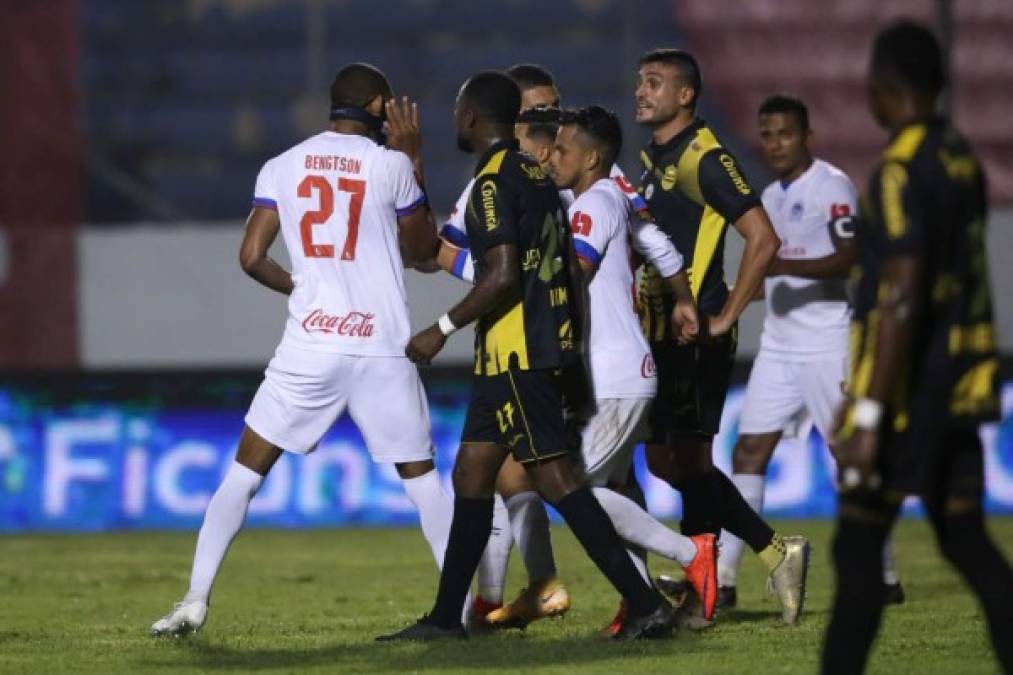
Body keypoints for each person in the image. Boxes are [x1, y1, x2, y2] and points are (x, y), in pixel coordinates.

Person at [150, 63, 455, 636]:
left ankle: (194, 600)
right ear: (379, 104)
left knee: (242, 476)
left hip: (311, 345)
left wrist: (303, 288)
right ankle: (460, 612)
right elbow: (420, 252)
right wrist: (413, 161)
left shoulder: (282, 165)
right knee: (423, 486)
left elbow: (250, 257)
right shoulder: (391, 166)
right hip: (380, 346)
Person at [378, 71, 675, 642]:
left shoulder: (492, 183)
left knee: (560, 482)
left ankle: (645, 601)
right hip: (518, 354)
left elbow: (504, 274)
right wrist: (411, 163)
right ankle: (446, 619)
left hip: (517, 355)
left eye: (458, 111)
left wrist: (440, 328)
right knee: (472, 471)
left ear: (470, 118)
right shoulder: (533, 175)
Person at [821, 20, 1013, 674]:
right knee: (966, 541)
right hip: (956, 386)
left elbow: (902, 291)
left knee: (854, 551)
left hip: (906, 400)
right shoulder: (959, 156)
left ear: (880, 89)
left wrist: (869, 414)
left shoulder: (898, 170)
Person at [632, 48, 809, 625]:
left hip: (697, 334)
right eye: (641, 82)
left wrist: (727, 315)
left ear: (686, 96)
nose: (642, 91)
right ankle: (758, 556)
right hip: (660, 333)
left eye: (654, 83)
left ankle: (711, 585)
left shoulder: (705, 158)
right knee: (667, 461)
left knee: (687, 457)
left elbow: (763, 238)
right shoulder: (656, 159)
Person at [716, 94, 902, 608]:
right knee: (748, 453)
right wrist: (725, 305)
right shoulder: (768, 197)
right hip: (779, 346)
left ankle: (885, 577)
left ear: (807, 137)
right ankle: (726, 582)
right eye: (768, 134)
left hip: (827, 344)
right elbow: (763, 277)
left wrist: (781, 267)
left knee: (850, 458)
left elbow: (851, 257)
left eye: (785, 134)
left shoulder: (832, 185)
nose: (775, 143)